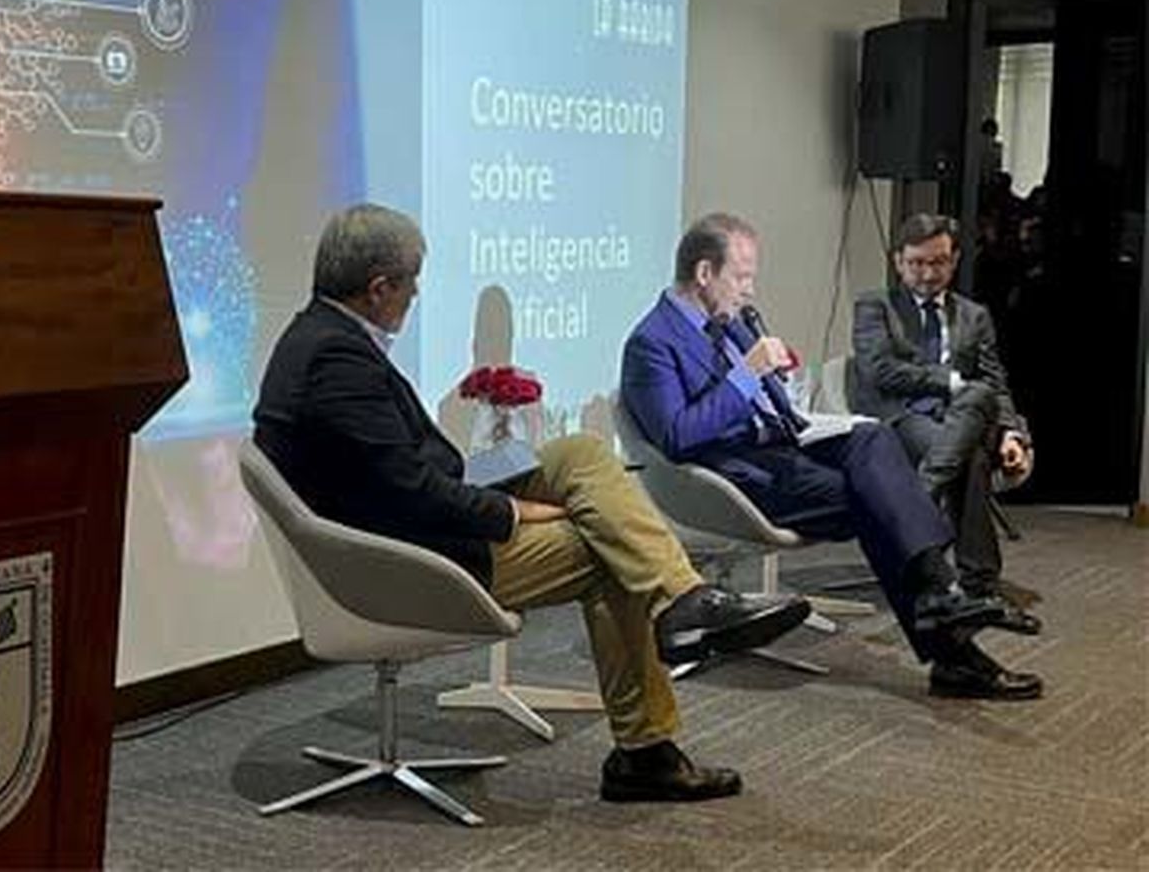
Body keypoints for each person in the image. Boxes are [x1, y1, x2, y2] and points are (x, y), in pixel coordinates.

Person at [254, 204, 810, 803]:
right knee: (607, 552)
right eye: (411, 285)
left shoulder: (323, 335)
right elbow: (407, 492)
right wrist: (516, 513)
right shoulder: (334, 361)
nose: (415, 296)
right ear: (378, 288)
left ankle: (683, 598)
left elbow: (396, 473)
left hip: (420, 513)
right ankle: (645, 752)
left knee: (582, 452)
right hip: (410, 552)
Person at [620, 213, 1043, 701]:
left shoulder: (726, 322)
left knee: (873, 439)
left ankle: (940, 602)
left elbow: (767, 394)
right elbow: (677, 435)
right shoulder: (651, 342)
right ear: (703, 274)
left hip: (782, 444)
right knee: (879, 501)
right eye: (741, 277)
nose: (750, 290)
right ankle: (948, 625)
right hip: (736, 473)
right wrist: (747, 375)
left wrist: (785, 398)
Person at [851, 213, 1039, 632]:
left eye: (937, 263)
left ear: (953, 262)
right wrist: (951, 382)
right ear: (898, 262)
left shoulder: (974, 316)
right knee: (969, 438)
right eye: (916, 263)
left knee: (979, 400)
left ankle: (920, 504)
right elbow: (880, 372)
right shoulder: (874, 306)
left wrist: (1011, 433)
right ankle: (981, 585)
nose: (927, 273)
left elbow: (995, 383)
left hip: (960, 423)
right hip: (903, 418)